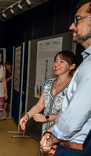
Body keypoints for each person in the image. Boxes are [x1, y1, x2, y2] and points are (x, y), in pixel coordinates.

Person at [40, 1, 91, 155]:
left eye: (77, 19)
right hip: (63, 141)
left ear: (71, 66)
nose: (71, 26)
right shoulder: (86, 62)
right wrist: (51, 133)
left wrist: (51, 139)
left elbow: (74, 118)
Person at [20, 51, 76, 156]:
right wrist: (27, 115)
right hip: (46, 130)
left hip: (61, 132)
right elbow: (40, 105)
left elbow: (70, 115)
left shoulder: (74, 87)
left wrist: (46, 117)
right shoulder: (48, 83)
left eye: (62, 61)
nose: (56, 64)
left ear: (72, 66)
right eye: (55, 61)